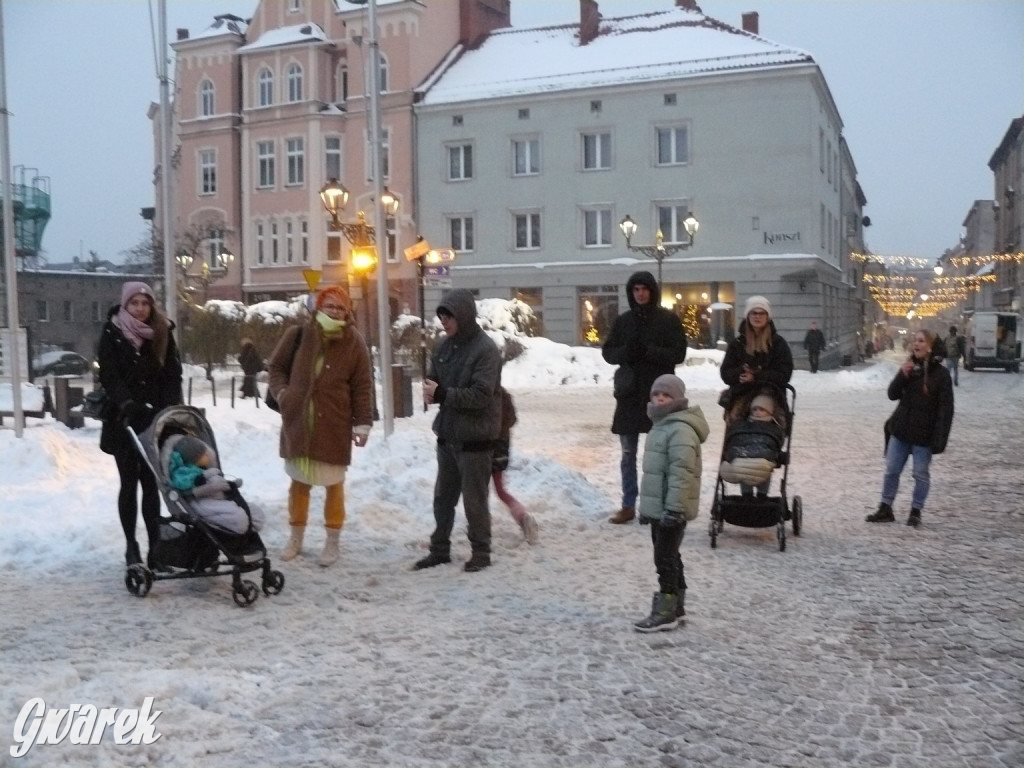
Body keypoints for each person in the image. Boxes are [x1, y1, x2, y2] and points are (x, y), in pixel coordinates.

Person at [267, 285, 373, 567]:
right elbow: (275, 367)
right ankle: (296, 537)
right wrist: (283, 394)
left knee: (333, 485)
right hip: (299, 421)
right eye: (331, 306)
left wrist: (362, 424)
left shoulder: (354, 341)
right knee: (299, 484)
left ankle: (332, 541)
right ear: (318, 307)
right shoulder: (298, 334)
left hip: (334, 424)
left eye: (341, 307)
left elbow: (362, 386)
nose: (336, 312)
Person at [415, 289, 503, 572]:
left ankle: (481, 551)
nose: (444, 321)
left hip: (476, 439)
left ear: (463, 316)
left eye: (449, 316)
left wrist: (443, 394)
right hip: (448, 435)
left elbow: (481, 395)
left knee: (474, 501)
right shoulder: (443, 346)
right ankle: (439, 549)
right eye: (441, 316)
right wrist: (430, 389)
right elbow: (435, 378)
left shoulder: (485, 349)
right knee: (443, 499)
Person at [97, 281, 183, 569]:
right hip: (124, 418)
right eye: (135, 303)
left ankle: (155, 549)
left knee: (151, 483)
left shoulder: (162, 333)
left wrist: (171, 409)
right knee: (128, 483)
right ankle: (131, 546)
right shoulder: (112, 332)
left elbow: (173, 375)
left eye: (145, 303)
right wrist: (126, 403)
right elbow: (109, 374)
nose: (140, 308)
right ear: (125, 304)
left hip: (154, 418)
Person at [601, 271, 688, 525]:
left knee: (659, 454)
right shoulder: (624, 321)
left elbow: (679, 353)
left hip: (660, 396)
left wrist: (649, 352)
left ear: (652, 291)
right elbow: (608, 352)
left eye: (644, 289)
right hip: (629, 396)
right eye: (636, 289)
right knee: (628, 453)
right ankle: (628, 504)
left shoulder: (668, 320)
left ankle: (656, 506)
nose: (640, 293)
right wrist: (627, 351)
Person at [634, 374, 709, 632]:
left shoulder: (679, 430)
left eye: (665, 395)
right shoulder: (662, 425)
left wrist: (674, 509)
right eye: (656, 395)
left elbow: (681, 473)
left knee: (664, 557)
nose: (659, 399)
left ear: (678, 400)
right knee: (670, 554)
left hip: (671, 509)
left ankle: (667, 608)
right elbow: (655, 475)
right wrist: (649, 510)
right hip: (662, 508)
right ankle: (677, 605)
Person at [866, 330, 954, 528]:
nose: (916, 344)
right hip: (901, 430)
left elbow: (945, 410)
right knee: (891, 470)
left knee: (920, 474)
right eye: (915, 341)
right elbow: (892, 394)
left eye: (921, 341)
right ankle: (885, 508)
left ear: (930, 346)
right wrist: (901, 375)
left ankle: (916, 511)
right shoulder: (910, 367)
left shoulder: (941, 375)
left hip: (924, 435)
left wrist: (939, 440)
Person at [167, 435, 265, 534]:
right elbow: (181, 482)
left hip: (218, 499)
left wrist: (232, 485)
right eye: (204, 455)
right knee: (238, 517)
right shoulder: (184, 472)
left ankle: (244, 527)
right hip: (200, 502)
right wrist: (197, 480)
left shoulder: (204, 469)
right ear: (195, 458)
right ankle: (226, 527)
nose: (208, 455)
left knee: (256, 513)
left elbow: (219, 484)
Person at [720, 296, 793, 424]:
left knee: (762, 411)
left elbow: (784, 374)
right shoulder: (737, 344)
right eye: (754, 313)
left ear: (767, 316)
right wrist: (741, 374)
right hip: (741, 393)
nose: (757, 317)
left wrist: (756, 376)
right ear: (748, 316)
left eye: (761, 313)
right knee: (737, 422)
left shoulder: (778, 344)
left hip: (771, 393)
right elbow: (726, 373)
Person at [492, 387, 539, 545]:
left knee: (478, 492)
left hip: (484, 449)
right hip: (502, 450)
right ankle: (523, 517)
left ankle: (479, 525)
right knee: (501, 490)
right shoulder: (504, 395)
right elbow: (512, 420)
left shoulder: (482, 393)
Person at [721, 392, 785, 498]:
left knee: (763, 470)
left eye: (761, 410)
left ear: (770, 411)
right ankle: (747, 494)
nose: (757, 412)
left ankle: (761, 494)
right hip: (743, 459)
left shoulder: (774, 426)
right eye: (754, 409)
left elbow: (777, 442)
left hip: (762, 461)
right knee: (745, 471)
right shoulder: (744, 424)